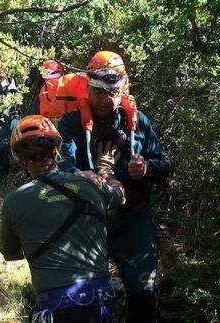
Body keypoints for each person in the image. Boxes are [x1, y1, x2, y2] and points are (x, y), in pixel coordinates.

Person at [57, 51, 171, 323]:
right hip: (88, 221)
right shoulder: (72, 123)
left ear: (122, 90)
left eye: (111, 92)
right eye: (97, 92)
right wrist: (87, 176)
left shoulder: (138, 122)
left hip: (134, 220)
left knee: (143, 291)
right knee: (83, 294)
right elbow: (64, 166)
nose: (104, 99)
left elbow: (164, 164)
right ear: (88, 88)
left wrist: (147, 168)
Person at [0, 115, 127, 323]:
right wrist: (105, 170)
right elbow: (120, 197)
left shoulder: (14, 201)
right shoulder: (89, 184)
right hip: (98, 300)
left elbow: (10, 254)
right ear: (56, 149)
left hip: (54, 305)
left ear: (20, 158)